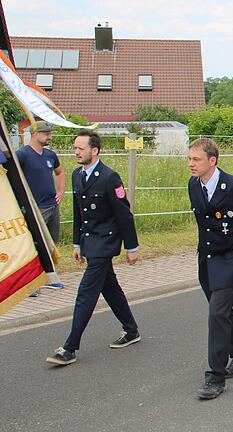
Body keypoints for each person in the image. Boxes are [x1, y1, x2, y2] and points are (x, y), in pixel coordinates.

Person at [46, 130, 140, 366]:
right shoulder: (77, 175)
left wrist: (132, 247)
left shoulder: (110, 177)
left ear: (94, 150)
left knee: (86, 293)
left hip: (105, 243)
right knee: (110, 288)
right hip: (90, 242)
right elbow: (79, 213)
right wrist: (77, 243)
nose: (75, 151)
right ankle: (131, 330)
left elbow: (124, 215)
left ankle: (70, 348)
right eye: (75, 147)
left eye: (80, 148)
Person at [187, 138, 233, 400]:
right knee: (223, 312)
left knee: (216, 314)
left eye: (196, 159)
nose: (191, 164)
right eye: (189, 159)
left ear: (212, 160)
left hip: (232, 258)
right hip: (208, 259)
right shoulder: (193, 186)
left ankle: (215, 377)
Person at [15, 121, 65, 296]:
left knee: (51, 242)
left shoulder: (50, 155)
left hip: (52, 205)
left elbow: (60, 172)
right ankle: (31, 283)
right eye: (46, 133)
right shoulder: (22, 155)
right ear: (34, 134)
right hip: (35, 209)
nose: (49, 137)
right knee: (35, 245)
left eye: (50, 133)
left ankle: (50, 276)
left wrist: (60, 191)